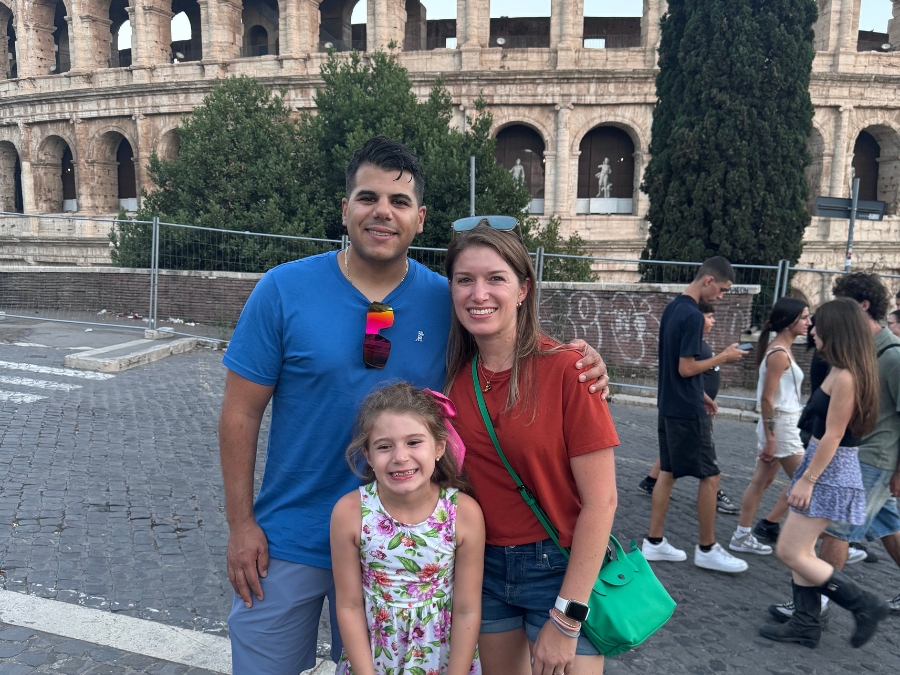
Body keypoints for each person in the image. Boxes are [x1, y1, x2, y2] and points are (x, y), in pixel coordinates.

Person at [219, 136, 609, 675]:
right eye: (368, 197)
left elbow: (505, 334)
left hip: (410, 548)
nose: (383, 212)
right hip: (291, 536)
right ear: (345, 208)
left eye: (399, 202)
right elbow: (240, 413)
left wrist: (578, 358)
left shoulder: (444, 298)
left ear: (419, 218)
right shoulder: (282, 290)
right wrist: (241, 525)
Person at [444, 220, 619, 675]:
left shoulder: (568, 370)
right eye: (465, 280)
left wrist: (566, 617)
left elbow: (601, 502)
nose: (478, 293)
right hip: (482, 568)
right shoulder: (452, 381)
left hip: (557, 568)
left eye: (495, 278)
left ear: (523, 289)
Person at [759, 297, 889, 649]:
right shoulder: (839, 369)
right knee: (801, 551)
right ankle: (805, 624)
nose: (812, 330)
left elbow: (833, 435)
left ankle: (864, 603)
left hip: (830, 469)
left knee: (790, 550)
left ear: (836, 329)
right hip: (824, 464)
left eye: (817, 324)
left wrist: (807, 479)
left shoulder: (847, 376)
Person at [331, 383, 484, 675]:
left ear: (440, 446)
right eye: (384, 446)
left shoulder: (463, 514)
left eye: (414, 442)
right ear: (368, 455)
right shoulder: (350, 513)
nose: (400, 457)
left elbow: (467, 609)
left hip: (441, 658)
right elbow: (349, 606)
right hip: (373, 660)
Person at [642, 257, 749, 573]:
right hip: (686, 413)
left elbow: (675, 367)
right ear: (708, 281)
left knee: (669, 471)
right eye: (722, 290)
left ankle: (655, 542)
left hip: (671, 405)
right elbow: (685, 366)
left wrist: (702, 394)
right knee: (711, 475)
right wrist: (724, 357)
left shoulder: (674, 308)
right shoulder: (691, 315)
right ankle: (707, 548)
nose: (721, 297)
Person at [637, 302, 740, 516]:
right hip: (690, 411)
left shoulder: (697, 343)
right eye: (709, 316)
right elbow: (687, 370)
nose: (713, 321)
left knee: (673, 461)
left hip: (694, 406)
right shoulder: (694, 344)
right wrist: (723, 357)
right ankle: (715, 498)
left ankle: (650, 484)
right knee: (707, 469)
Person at [729, 299, 810, 556]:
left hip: (784, 424)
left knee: (761, 481)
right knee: (808, 479)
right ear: (789, 322)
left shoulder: (782, 349)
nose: (809, 323)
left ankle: (743, 534)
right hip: (782, 427)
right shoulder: (778, 354)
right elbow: (767, 398)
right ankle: (807, 539)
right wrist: (772, 437)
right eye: (805, 317)